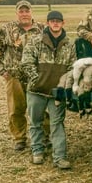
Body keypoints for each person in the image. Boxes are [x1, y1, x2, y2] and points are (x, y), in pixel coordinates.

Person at [0, 0, 50, 151]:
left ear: (31, 12)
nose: (24, 14)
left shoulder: (42, 29)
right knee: (16, 109)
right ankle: (19, 138)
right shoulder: (6, 29)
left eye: (27, 11)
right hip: (14, 76)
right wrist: (3, 71)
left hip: (36, 76)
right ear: (17, 13)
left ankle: (45, 136)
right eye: (21, 11)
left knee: (41, 107)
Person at [21, 10, 76, 169]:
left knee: (57, 124)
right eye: (52, 20)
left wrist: (64, 86)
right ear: (47, 23)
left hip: (56, 93)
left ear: (63, 23)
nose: (55, 23)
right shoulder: (35, 41)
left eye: (58, 20)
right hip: (36, 91)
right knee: (35, 122)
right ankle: (37, 151)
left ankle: (59, 157)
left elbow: (73, 67)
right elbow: (26, 63)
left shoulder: (69, 44)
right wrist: (36, 80)